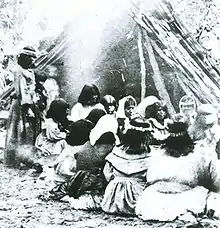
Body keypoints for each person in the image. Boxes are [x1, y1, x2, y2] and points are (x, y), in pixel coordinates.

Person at [135, 120, 220, 222]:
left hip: (154, 196)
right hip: (180, 195)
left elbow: (149, 177)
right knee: (207, 195)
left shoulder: (158, 153)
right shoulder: (195, 156)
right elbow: (207, 179)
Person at [101, 117, 153, 215]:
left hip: (113, 199)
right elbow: (151, 179)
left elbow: (107, 174)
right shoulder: (151, 156)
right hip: (137, 197)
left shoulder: (116, 152)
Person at [4, 46, 39, 167]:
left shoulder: (29, 71)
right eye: (31, 58)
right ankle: (17, 159)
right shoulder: (19, 71)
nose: (33, 61)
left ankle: (26, 157)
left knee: (27, 132)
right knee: (20, 130)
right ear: (26, 58)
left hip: (29, 103)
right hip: (22, 106)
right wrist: (28, 108)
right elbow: (21, 91)